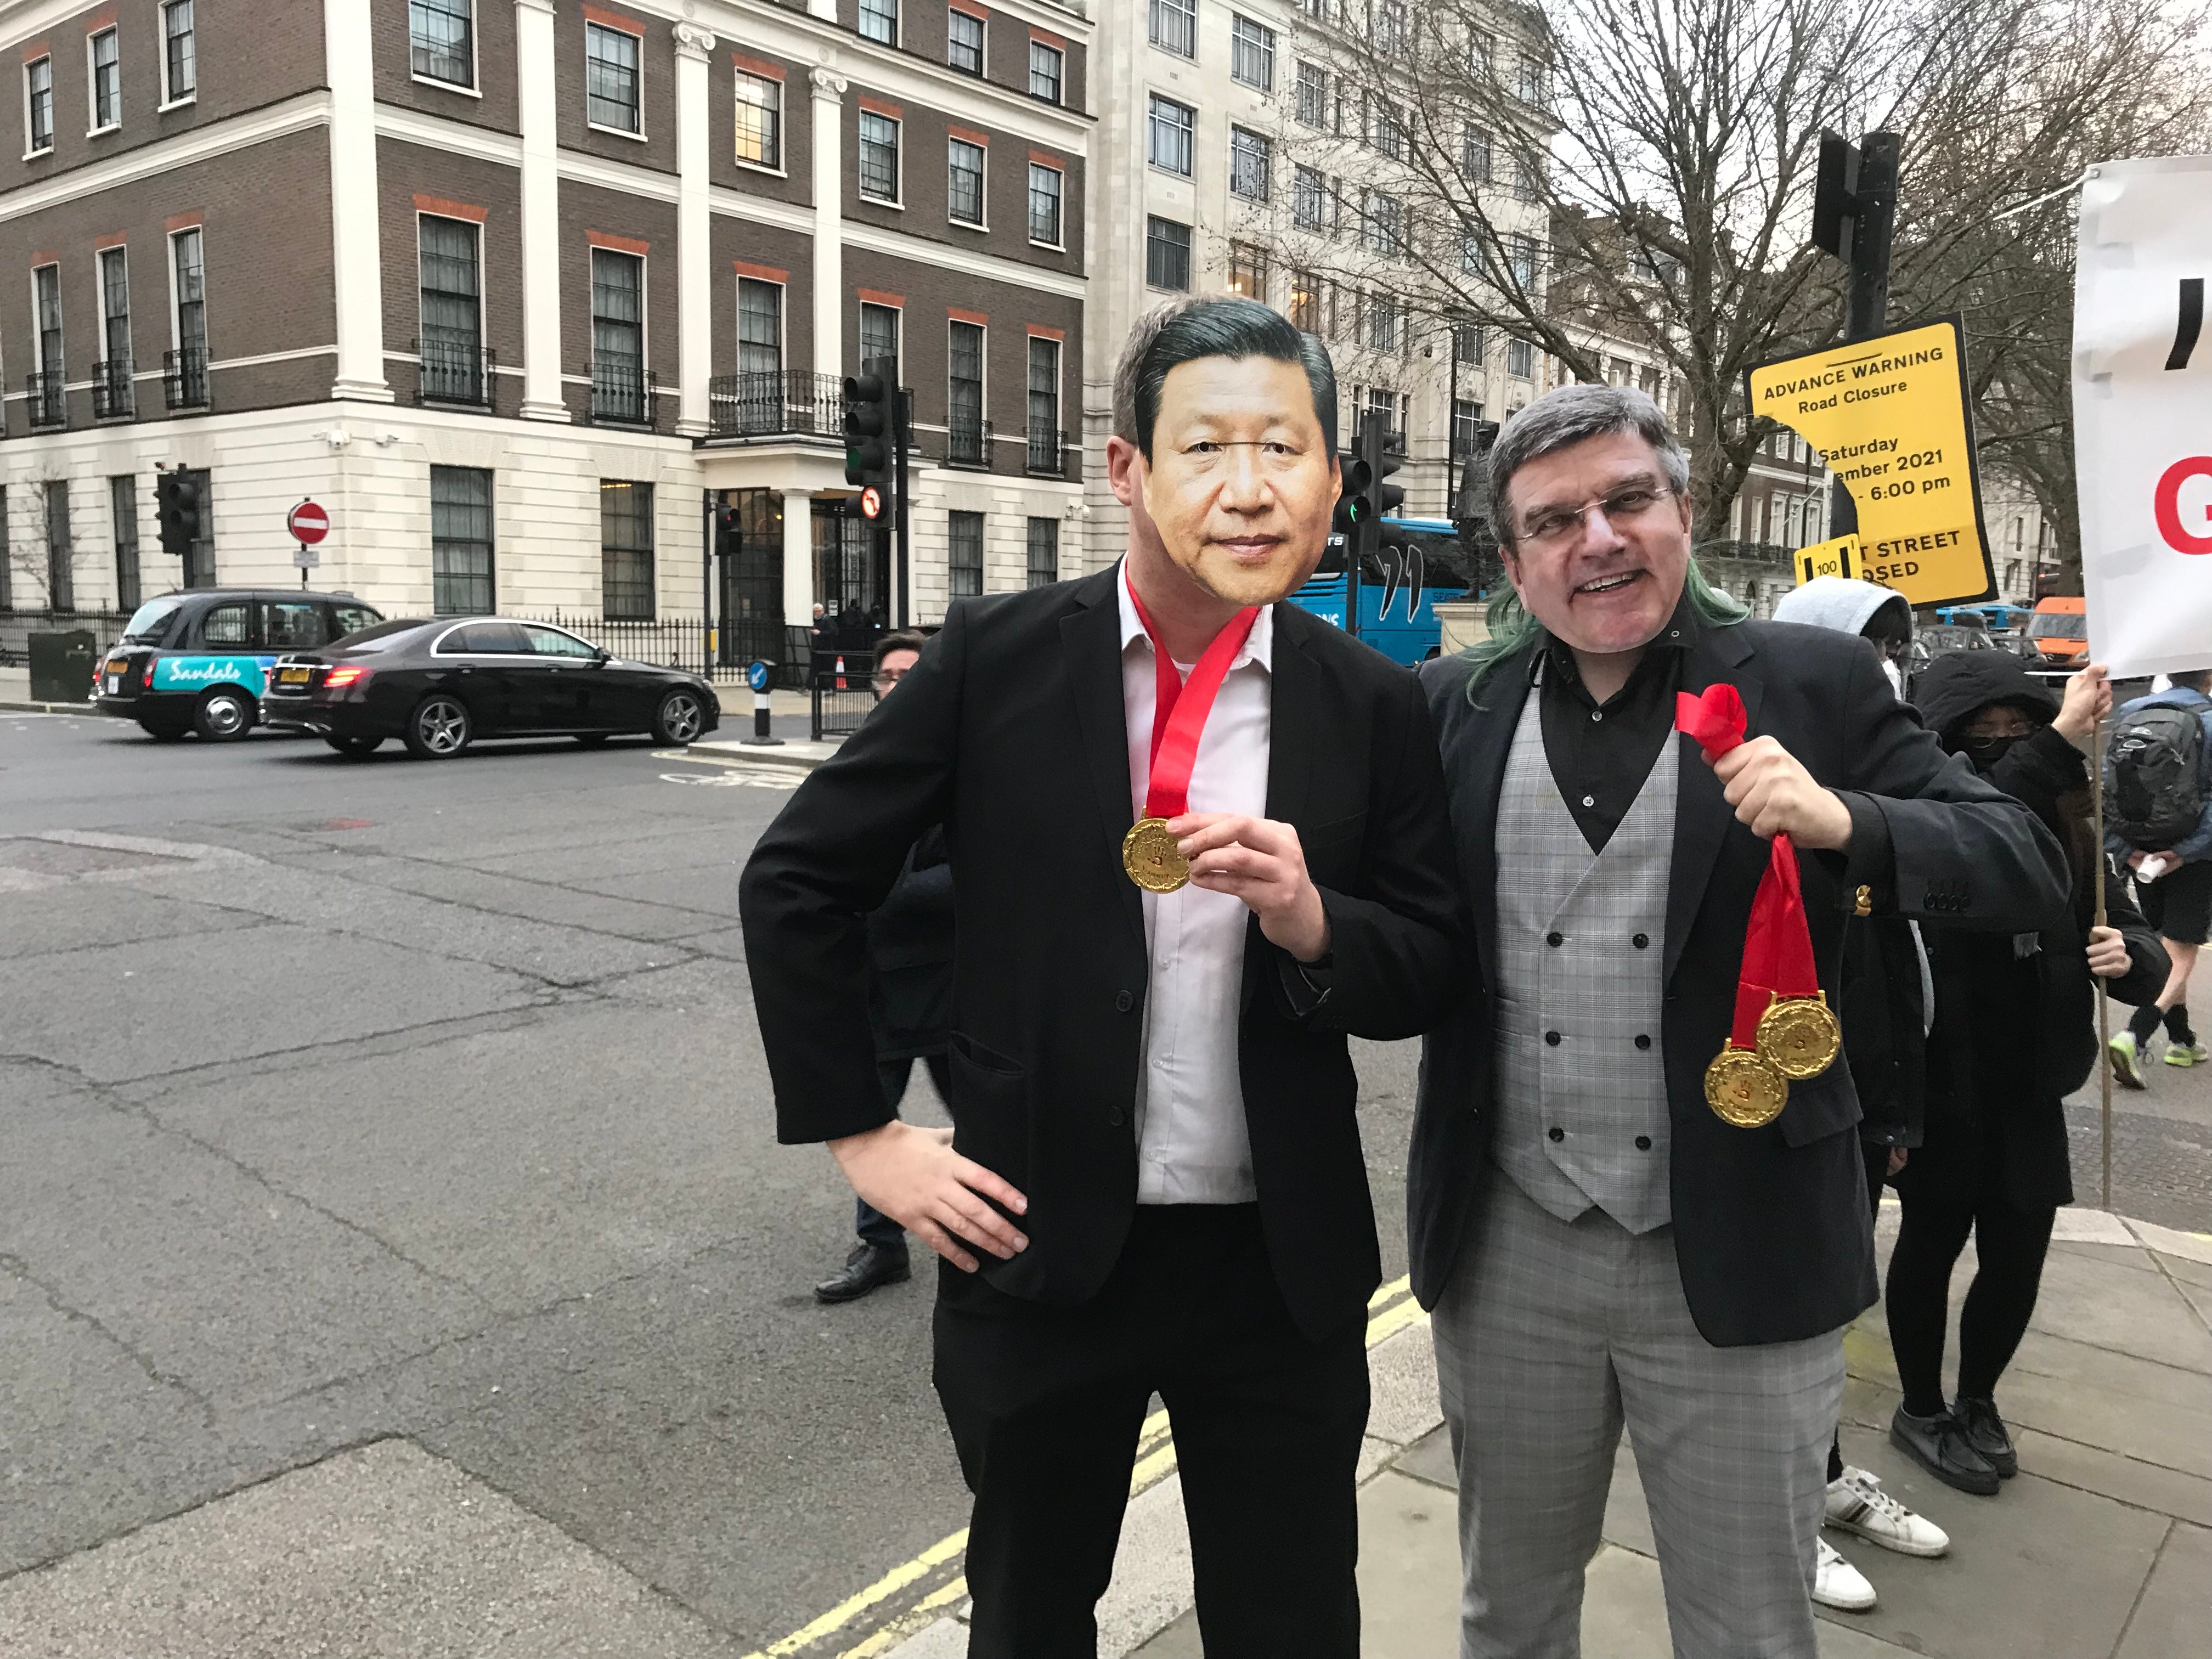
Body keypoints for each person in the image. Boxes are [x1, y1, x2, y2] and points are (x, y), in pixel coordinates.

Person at [740, 298, 1461, 1656]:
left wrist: (1314, 919)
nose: (1248, 491)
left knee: (1293, 1625)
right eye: (1205, 450)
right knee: (1026, 1620)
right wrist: (864, 1133)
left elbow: (1424, 964)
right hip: (1037, 1248)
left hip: (1278, 1272)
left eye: (1285, 451)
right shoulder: (993, 660)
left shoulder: (1371, 701)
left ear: (1324, 478)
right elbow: (800, 883)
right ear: (1127, 468)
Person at [1410, 384, 2069, 1658]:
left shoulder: (1815, 684)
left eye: (1626, 500)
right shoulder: (1453, 709)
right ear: (1512, 561)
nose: (1597, 539)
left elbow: (2021, 861)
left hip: (1744, 1243)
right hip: (1507, 1252)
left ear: (1683, 511)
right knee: (1508, 1611)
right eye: (1555, 521)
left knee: (1750, 1629)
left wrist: (1852, 826)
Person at [1886, 653, 2170, 1493]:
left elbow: (2131, 932)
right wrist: (2055, 738)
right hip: (1943, 1078)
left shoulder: (2071, 820)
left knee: (2018, 1253)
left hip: (2029, 1081)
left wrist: (2134, 959)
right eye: (1988, 735)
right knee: (1931, 1245)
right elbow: (1983, 817)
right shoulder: (1928, 813)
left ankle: (1978, 1399)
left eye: (2024, 728)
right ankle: (1920, 1407)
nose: (2012, 747)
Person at [1769, 575, 1948, 1609]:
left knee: (1835, 1306)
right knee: (1797, 1319)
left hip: (1862, 1097)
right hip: (1777, 1108)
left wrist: (1894, 1113)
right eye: (1866, 644)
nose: (1888, 664)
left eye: (1897, 642)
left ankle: (1826, 1479)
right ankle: (1795, 1501)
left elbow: (1898, 963)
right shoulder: (1748, 781)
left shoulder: (1869, 794)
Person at [814, 631, 954, 1305]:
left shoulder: (969, 760)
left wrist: (888, 894)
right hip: (878, 978)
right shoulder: (861, 756)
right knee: (873, 1117)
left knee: (990, 1117)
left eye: (912, 674)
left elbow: (990, 872)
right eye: (889, 676)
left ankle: (1006, 1225)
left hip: (952, 979)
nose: (898, 685)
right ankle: (881, 1245)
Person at [2104, 667, 2212, 1084]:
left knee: (2163, 940)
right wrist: (2184, 854)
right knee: (2182, 945)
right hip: (2191, 850)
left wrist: (2125, 850)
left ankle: (2183, 1041)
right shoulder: (2207, 717)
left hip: (2140, 849)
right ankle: (2137, 1033)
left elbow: (2107, 786)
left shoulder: (2131, 711)